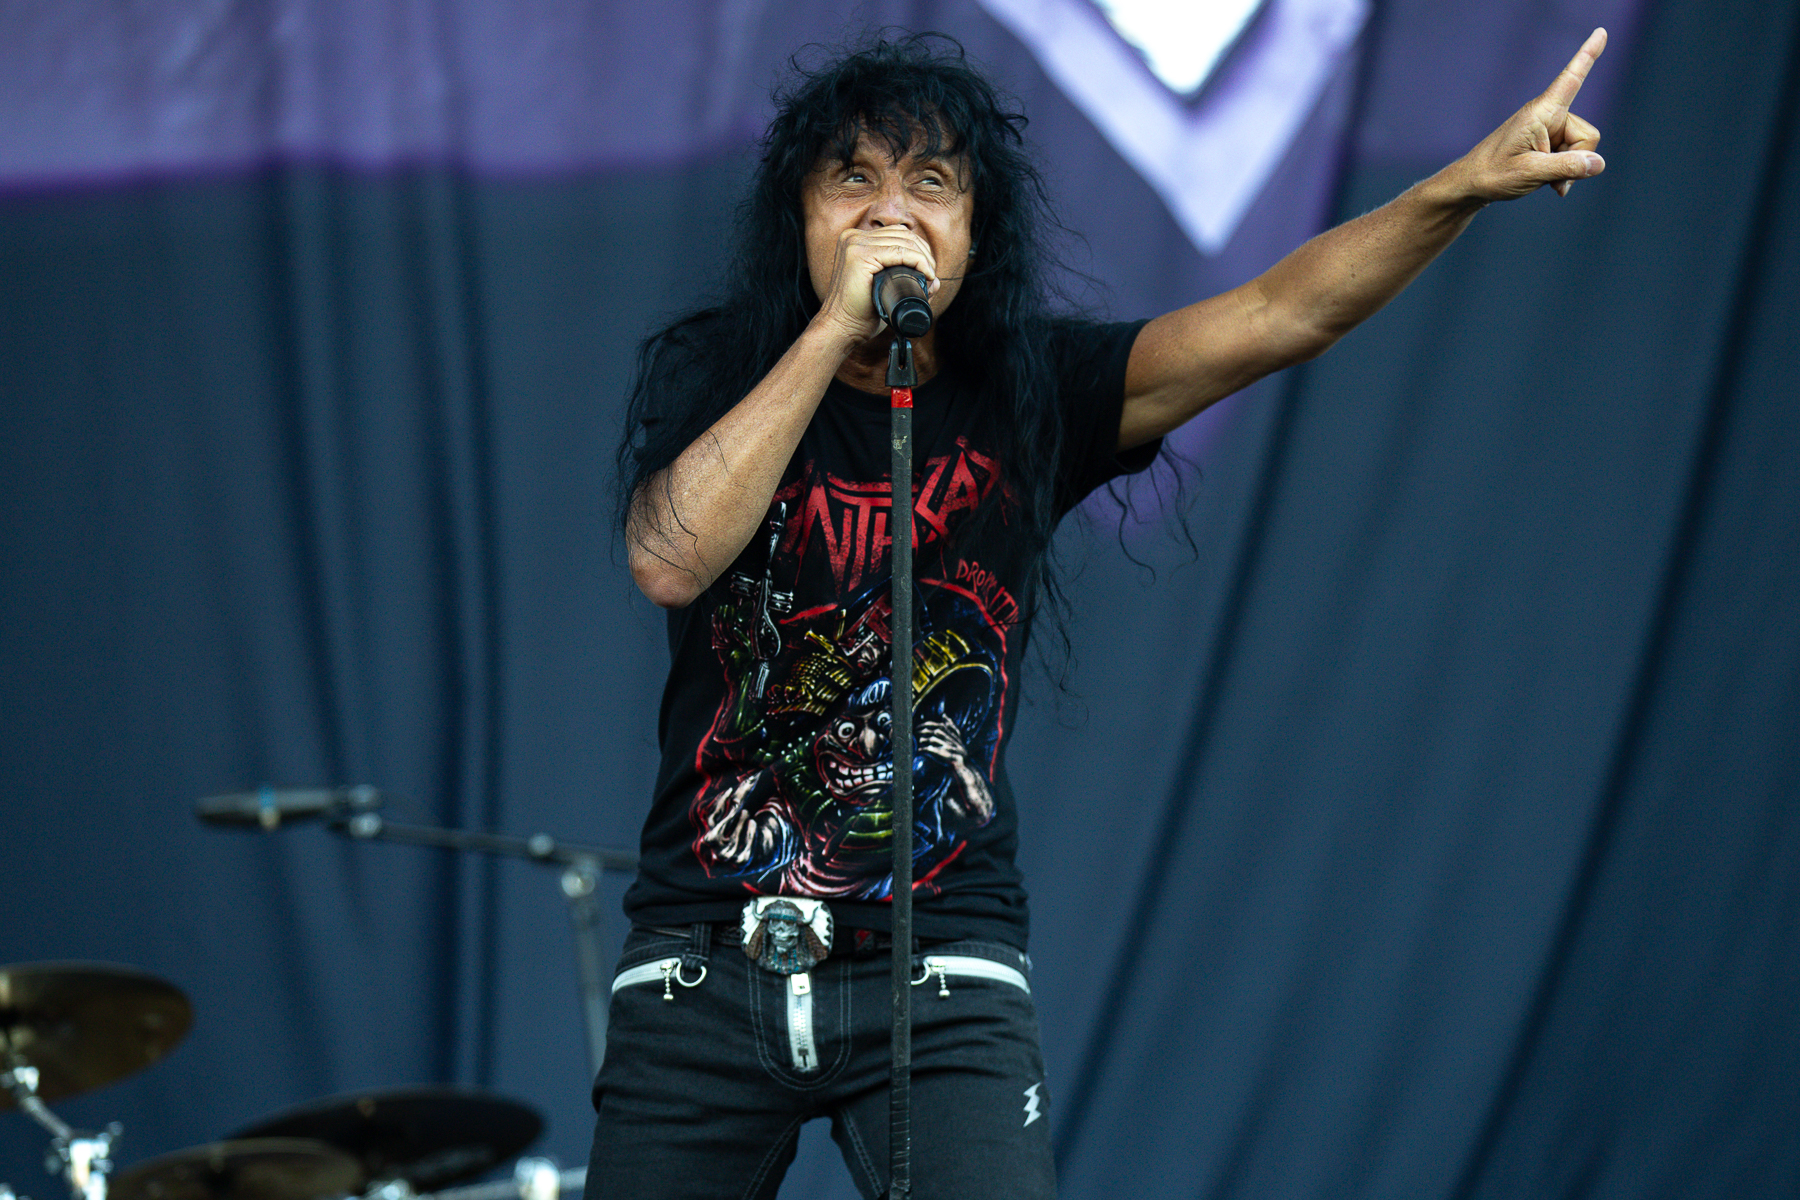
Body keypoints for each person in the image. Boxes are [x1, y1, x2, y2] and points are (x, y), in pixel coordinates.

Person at [585, 29, 1607, 1200]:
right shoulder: (718, 372)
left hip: (941, 962)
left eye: (931, 182)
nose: (891, 211)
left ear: (975, 234)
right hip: (706, 960)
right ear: (800, 218)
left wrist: (1457, 189)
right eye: (851, 178)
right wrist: (832, 333)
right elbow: (668, 561)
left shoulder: (1032, 391)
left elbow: (1283, 313)